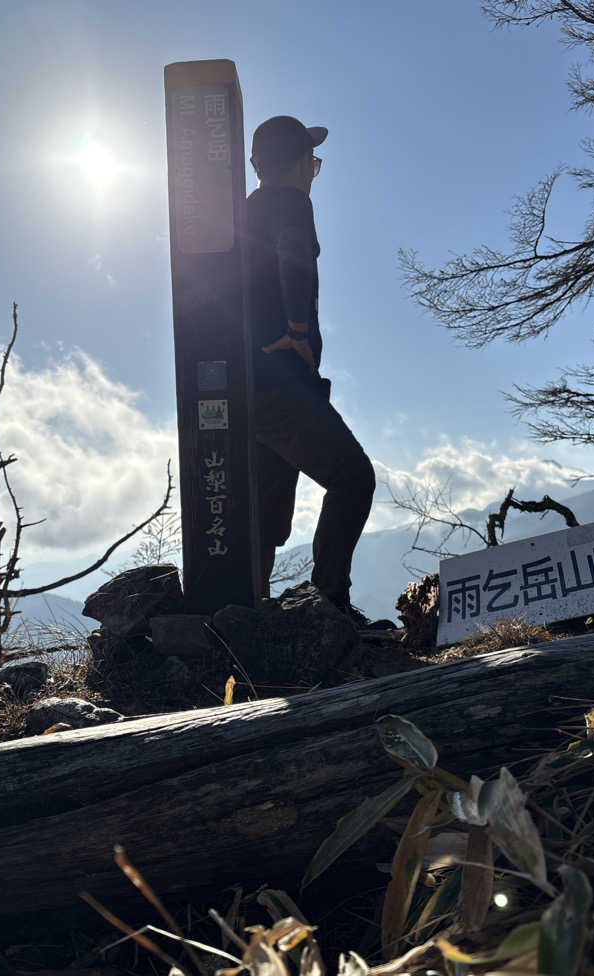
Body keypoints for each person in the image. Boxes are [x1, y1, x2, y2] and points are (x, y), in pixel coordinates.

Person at [245, 115, 377, 625]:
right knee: (353, 478)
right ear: (300, 163)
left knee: (266, 516)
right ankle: (329, 606)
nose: (313, 172)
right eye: (313, 162)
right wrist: (298, 329)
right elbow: (294, 255)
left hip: (249, 383)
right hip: (281, 379)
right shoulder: (291, 203)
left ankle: (249, 616)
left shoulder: (244, 213)